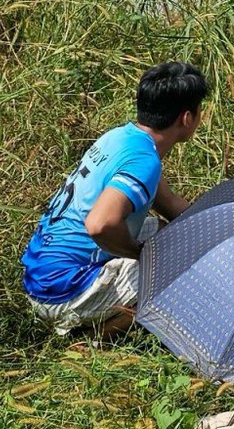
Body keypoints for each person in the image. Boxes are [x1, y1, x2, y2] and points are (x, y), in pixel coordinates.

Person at [21, 62, 208, 337]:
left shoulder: (121, 138)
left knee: (168, 235)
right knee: (175, 271)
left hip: (40, 276)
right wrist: (139, 254)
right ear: (186, 118)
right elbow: (99, 224)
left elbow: (170, 204)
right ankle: (94, 339)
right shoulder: (144, 161)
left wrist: (214, 228)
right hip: (61, 292)